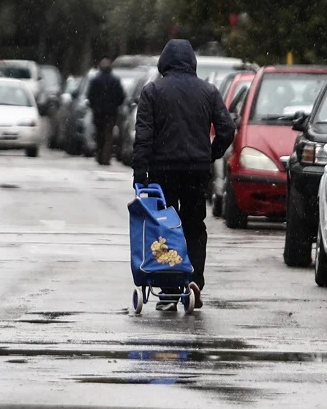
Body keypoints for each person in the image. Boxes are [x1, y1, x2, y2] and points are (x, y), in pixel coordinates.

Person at [132, 39, 236, 311]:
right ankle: (194, 280)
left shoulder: (152, 91)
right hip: (195, 170)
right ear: (192, 62)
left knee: (164, 227)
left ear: (164, 62)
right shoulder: (209, 92)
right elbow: (227, 129)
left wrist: (140, 173)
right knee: (194, 225)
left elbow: (144, 136)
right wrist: (211, 153)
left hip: (162, 172)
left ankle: (167, 287)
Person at [87, 57, 125, 166]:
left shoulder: (96, 80)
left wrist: (95, 106)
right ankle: (105, 157)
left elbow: (90, 96)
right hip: (111, 112)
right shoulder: (115, 80)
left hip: (99, 112)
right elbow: (121, 96)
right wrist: (114, 105)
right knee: (108, 134)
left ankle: (100, 155)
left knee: (99, 134)